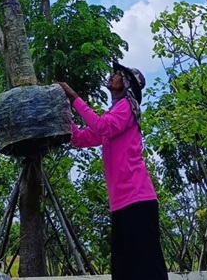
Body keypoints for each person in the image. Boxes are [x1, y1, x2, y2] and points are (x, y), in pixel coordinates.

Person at [58, 62, 168, 280]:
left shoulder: (127, 106)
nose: (113, 76)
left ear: (126, 84)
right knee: (124, 267)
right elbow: (80, 139)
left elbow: (101, 127)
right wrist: (65, 113)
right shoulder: (115, 114)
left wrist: (74, 97)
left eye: (118, 75)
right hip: (121, 202)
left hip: (137, 198)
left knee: (146, 267)